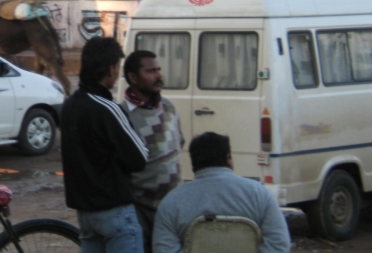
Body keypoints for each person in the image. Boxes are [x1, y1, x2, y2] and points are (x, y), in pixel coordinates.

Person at [61, 36, 149, 253]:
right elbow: (139, 158)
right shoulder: (107, 109)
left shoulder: (69, 106)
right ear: (111, 69)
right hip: (115, 213)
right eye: (117, 68)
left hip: (85, 214)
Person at [152, 132, 290, 253]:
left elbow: (164, 249)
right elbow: (279, 244)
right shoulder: (260, 194)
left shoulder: (171, 203)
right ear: (228, 159)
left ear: (194, 164)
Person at [119, 50, 185, 244]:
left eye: (158, 70)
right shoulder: (123, 116)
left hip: (173, 208)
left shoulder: (170, 108)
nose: (158, 76)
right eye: (150, 71)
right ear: (133, 78)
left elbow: (179, 143)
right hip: (140, 211)